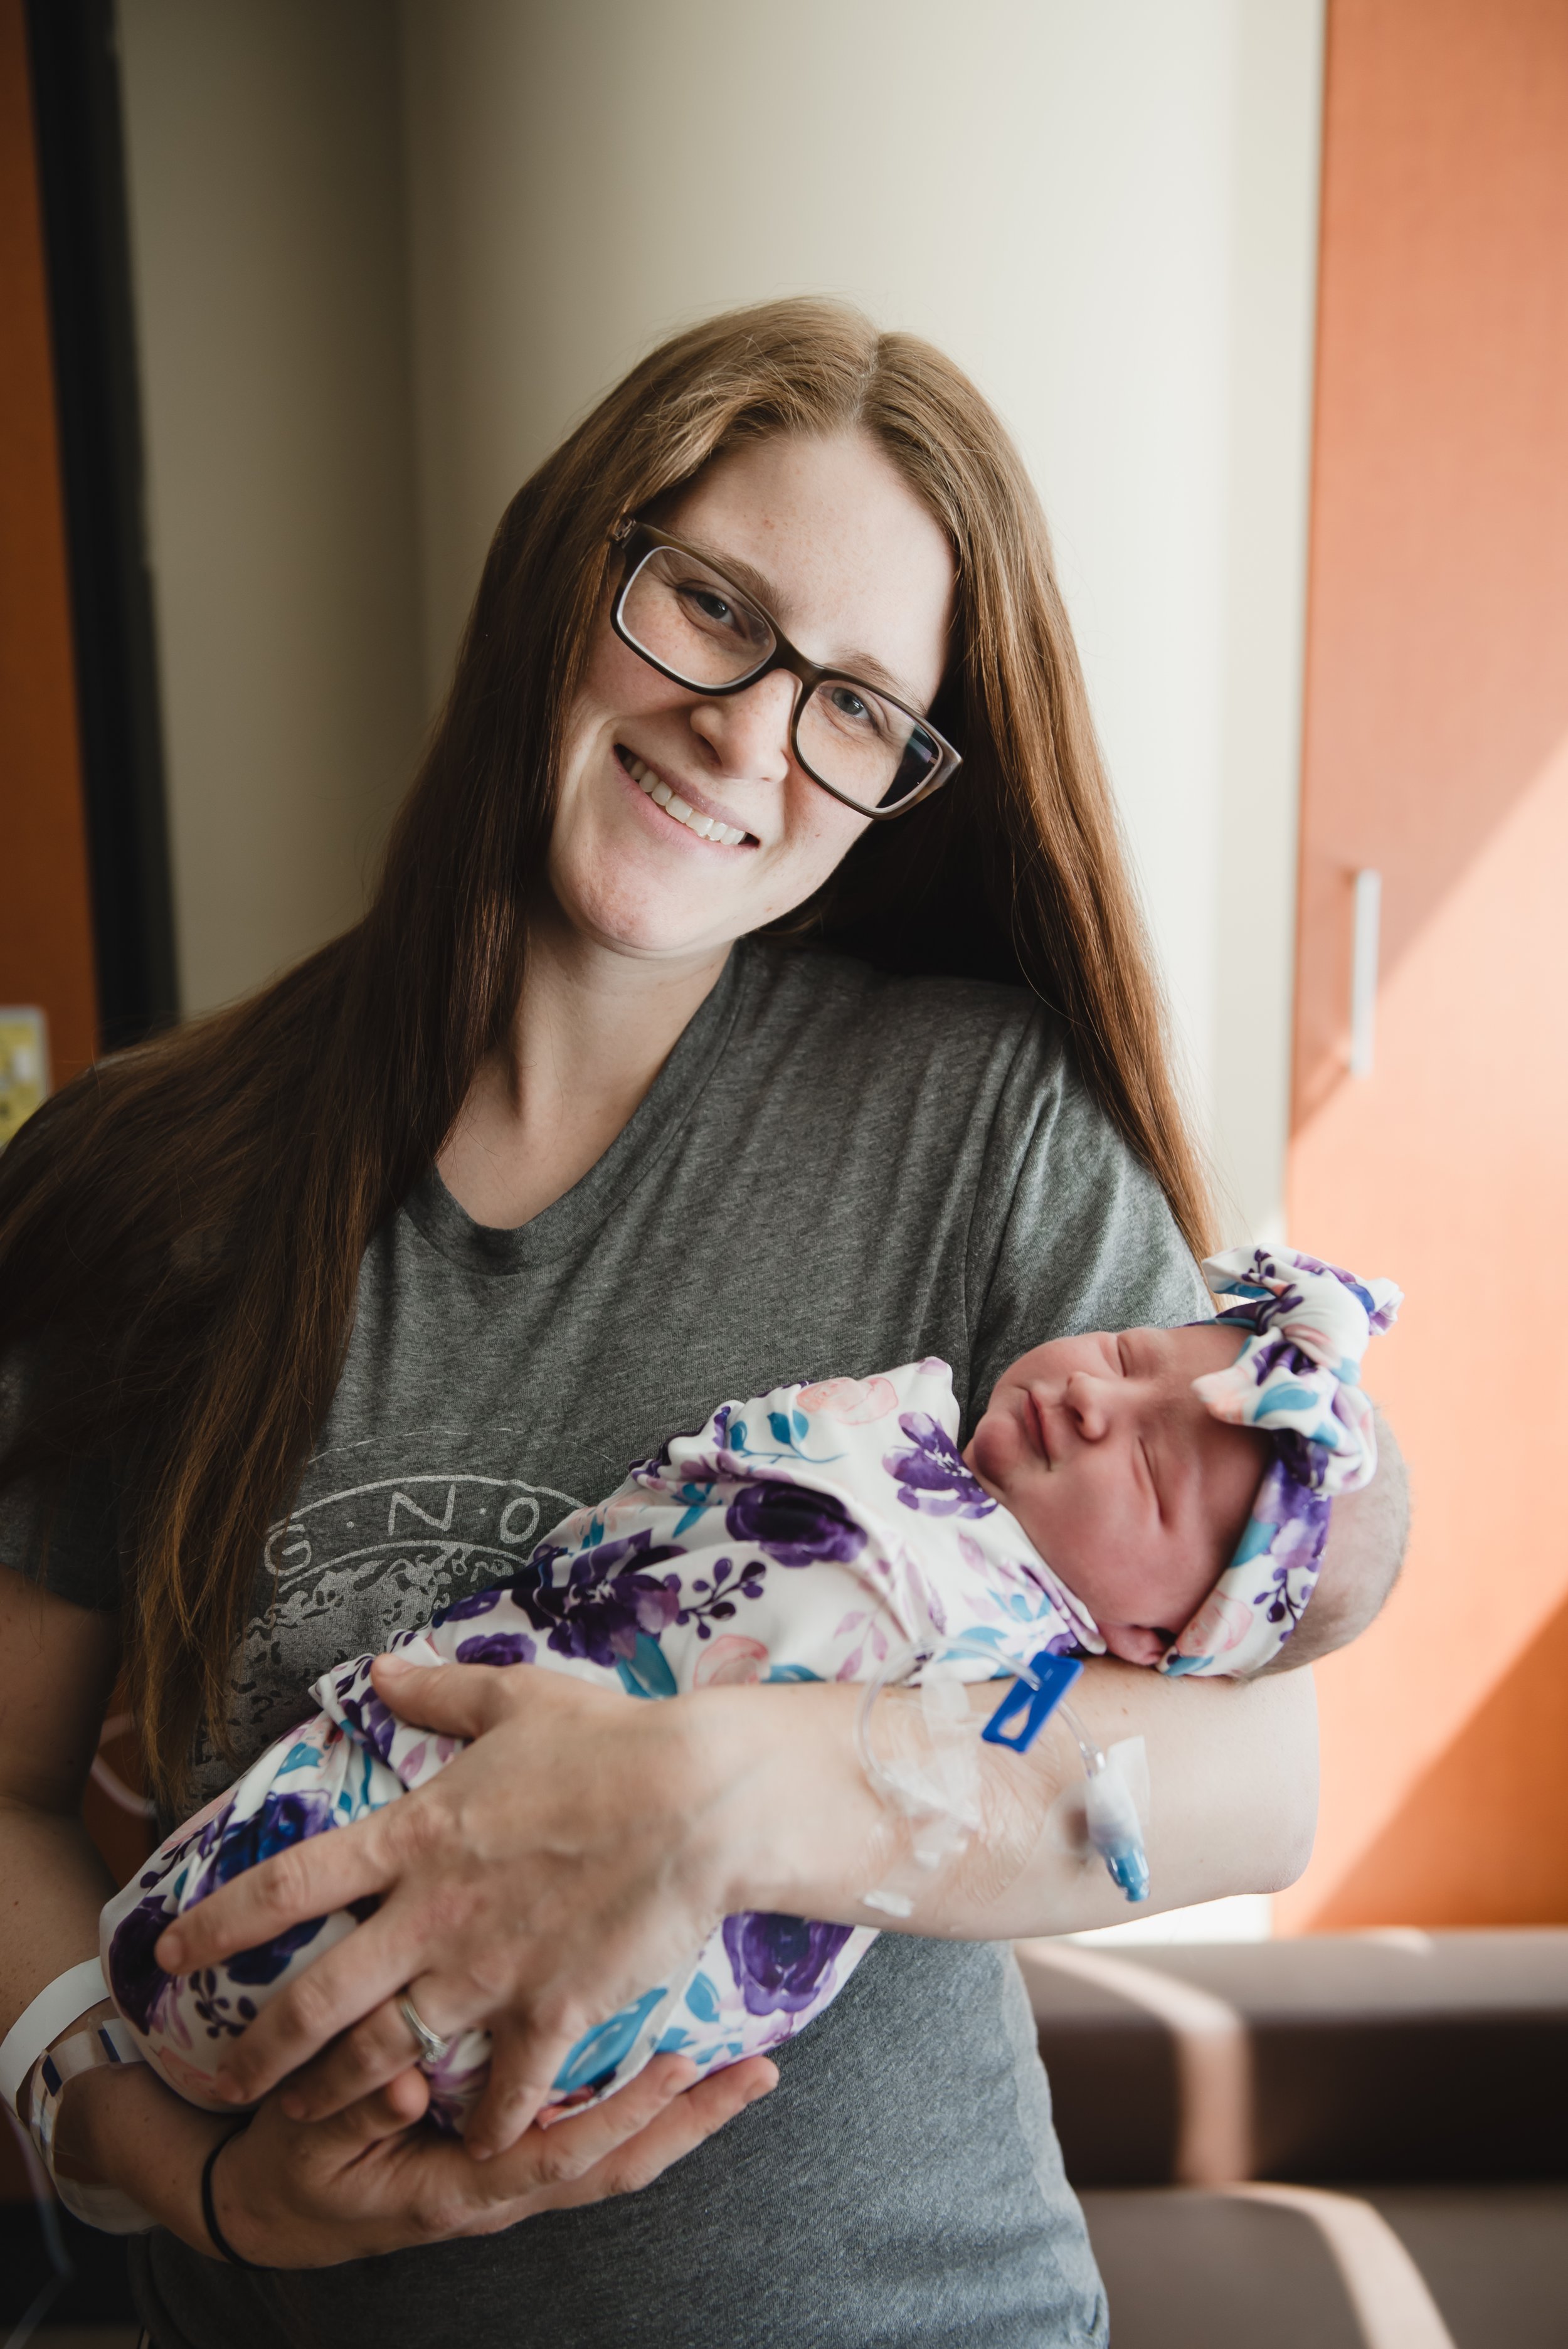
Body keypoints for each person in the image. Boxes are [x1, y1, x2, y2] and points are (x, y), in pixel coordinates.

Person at [0, 299, 1407, 2348]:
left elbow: (1251, 1764)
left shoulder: (973, 1119)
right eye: (709, 607)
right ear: (572, 562)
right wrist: (168, 2170)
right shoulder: (139, 1179)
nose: (748, 735)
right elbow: (10, 1795)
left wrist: (711, 1795)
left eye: (854, 703)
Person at [98, 1245, 1403, 2141]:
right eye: (1124, 1349)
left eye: (1158, 1480)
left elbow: (1230, 1800)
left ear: (1157, 1638)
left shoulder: (1024, 1669)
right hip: (471, 1726)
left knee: (331, 1984)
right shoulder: (908, 1443)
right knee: (226, 1936)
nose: (1092, 1398)